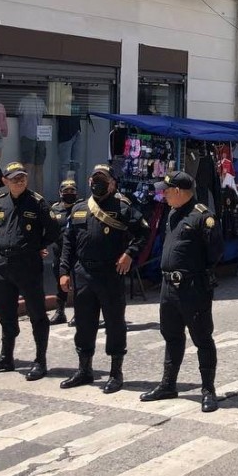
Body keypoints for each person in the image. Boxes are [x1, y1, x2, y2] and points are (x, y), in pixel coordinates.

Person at [59, 165, 149, 394]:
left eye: (104, 179)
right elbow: (68, 242)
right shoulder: (79, 208)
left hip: (110, 274)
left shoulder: (123, 207)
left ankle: (115, 373)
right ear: (89, 180)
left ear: (112, 184)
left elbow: (143, 233)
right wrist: (63, 271)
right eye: (95, 179)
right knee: (84, 324)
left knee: (115, 324)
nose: (98, 183)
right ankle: (84, 370)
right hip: (83, 275)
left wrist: (129, 254)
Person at [140, 171, 223, 411]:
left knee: (202, 338)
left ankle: (208, 390)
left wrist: (194, 273)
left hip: (193, 287)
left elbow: (215, 253)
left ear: (178, 191)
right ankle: (168, 385)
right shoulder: (173, 214)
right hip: (169, 288)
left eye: (166, 191)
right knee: (172, 336)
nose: (162, 195)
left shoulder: (203, 217)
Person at [0, 162, 61, 380]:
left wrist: (37, 246)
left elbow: (54, 230)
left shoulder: (37, 202)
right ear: (5, 181)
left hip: (27, 265)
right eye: (14, 178)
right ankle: (6, 358)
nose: (19, 181)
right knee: (5, 314)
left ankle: (40, 361)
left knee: (37, 314)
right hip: (1, 265)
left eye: (22, 177)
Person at [48, 179, 77, 325]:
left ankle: (79, 313)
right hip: (59, 252)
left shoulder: (80, 208)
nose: (69, 193)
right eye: (66, 191)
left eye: (72, 191)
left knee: (78, 284)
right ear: (60, 193)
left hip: (76, 253)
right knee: (60, 284)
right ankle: (60, 313)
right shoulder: (54, 209)